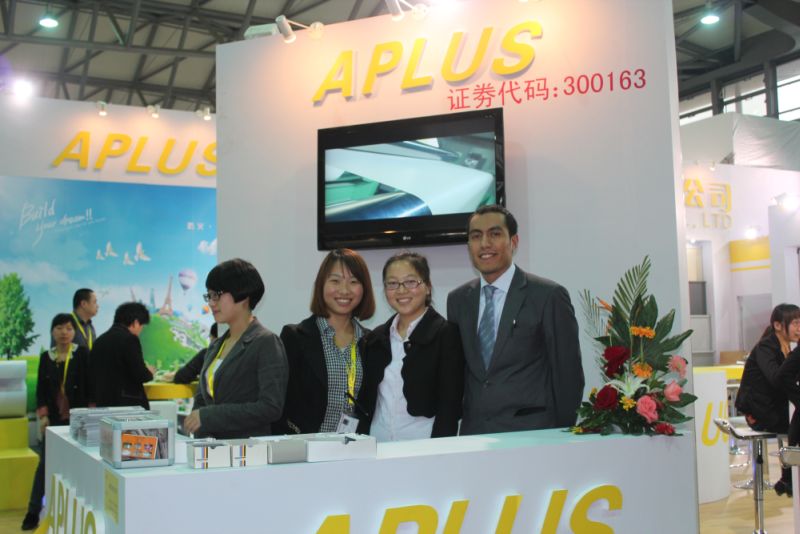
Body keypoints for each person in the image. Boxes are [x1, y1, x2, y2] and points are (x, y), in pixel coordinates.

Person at [447, 205, 584, 435]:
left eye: (495, 234)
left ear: (514, 241)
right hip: (475, 434)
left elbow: (568, 375)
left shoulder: (548, 295)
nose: (485, 244)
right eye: (476, 236)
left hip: (532, 434)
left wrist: (560, 436)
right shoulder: (458, 300)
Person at [357, 252, 464, 441]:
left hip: (422, 446)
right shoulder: (374, 340)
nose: (401, 290)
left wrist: (440, 450)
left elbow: (450, 406)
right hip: (377, 445)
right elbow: (366, 403)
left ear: (428, 287)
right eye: (392, 283)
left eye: (410, 282)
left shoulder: (446, 335)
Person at [183, 259, 288, 439]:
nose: (211, 303)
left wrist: (208, 417)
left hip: (246, 449)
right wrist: (199, 423)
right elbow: (202, 399)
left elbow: (270, 407)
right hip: (209, 448)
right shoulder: (215, 346)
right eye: (209, 296)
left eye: (216, 295)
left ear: (243, 295)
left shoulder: (266, 342)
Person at [277, 249, 375, 435]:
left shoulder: (370, 342)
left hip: (354, 448)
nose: (344, 290)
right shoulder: (295, 337)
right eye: (335, 281)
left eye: (353, 281)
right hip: (304, 447)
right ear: (321, 285)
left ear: (364, 289)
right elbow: (280, 403)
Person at [22, 314, 91, 531]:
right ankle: (33, 512)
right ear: (52, 331)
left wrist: (91, 413)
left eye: (69, 328)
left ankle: (77, 511)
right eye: (59, 328)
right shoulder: (46, 357)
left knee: (80, 463)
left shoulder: (82, 354)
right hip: (53, 420)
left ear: (74, 332)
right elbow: (41, 391)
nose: (64, 332)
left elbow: (90, 385)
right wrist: (43, 415)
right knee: (45, 464)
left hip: (79, 419)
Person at [738, 303, 800, 497]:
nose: (799, 328)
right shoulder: (766, 347)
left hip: (773, 408)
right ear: (778, 325)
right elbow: (776, 378)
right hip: (759, 412)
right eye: (795, 323)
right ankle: (788, 477)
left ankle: (787, 477)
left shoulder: (787, 349)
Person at [90, 302, 155, 409]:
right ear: (135, 322)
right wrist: (149, 372)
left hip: (103, 403)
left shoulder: (99, 341)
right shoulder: (130, 339)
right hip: (127, 405)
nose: (140, 330)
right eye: (142, 326)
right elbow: (140, 374)